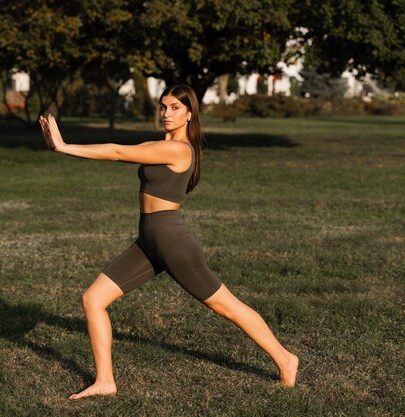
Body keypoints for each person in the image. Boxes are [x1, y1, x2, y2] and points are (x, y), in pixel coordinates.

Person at [39, 84, 298, 400]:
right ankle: (105, 381)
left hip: (173, 243)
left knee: (228, 307)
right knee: (93, 299)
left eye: (175, 107)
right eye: (163, 107)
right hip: (149, 241)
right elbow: (128, 149)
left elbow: (117, 151)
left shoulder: (179, 150)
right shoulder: (160, 144)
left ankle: (286, 359)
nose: (167, 113)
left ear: (190, 114)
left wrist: (65, 146)